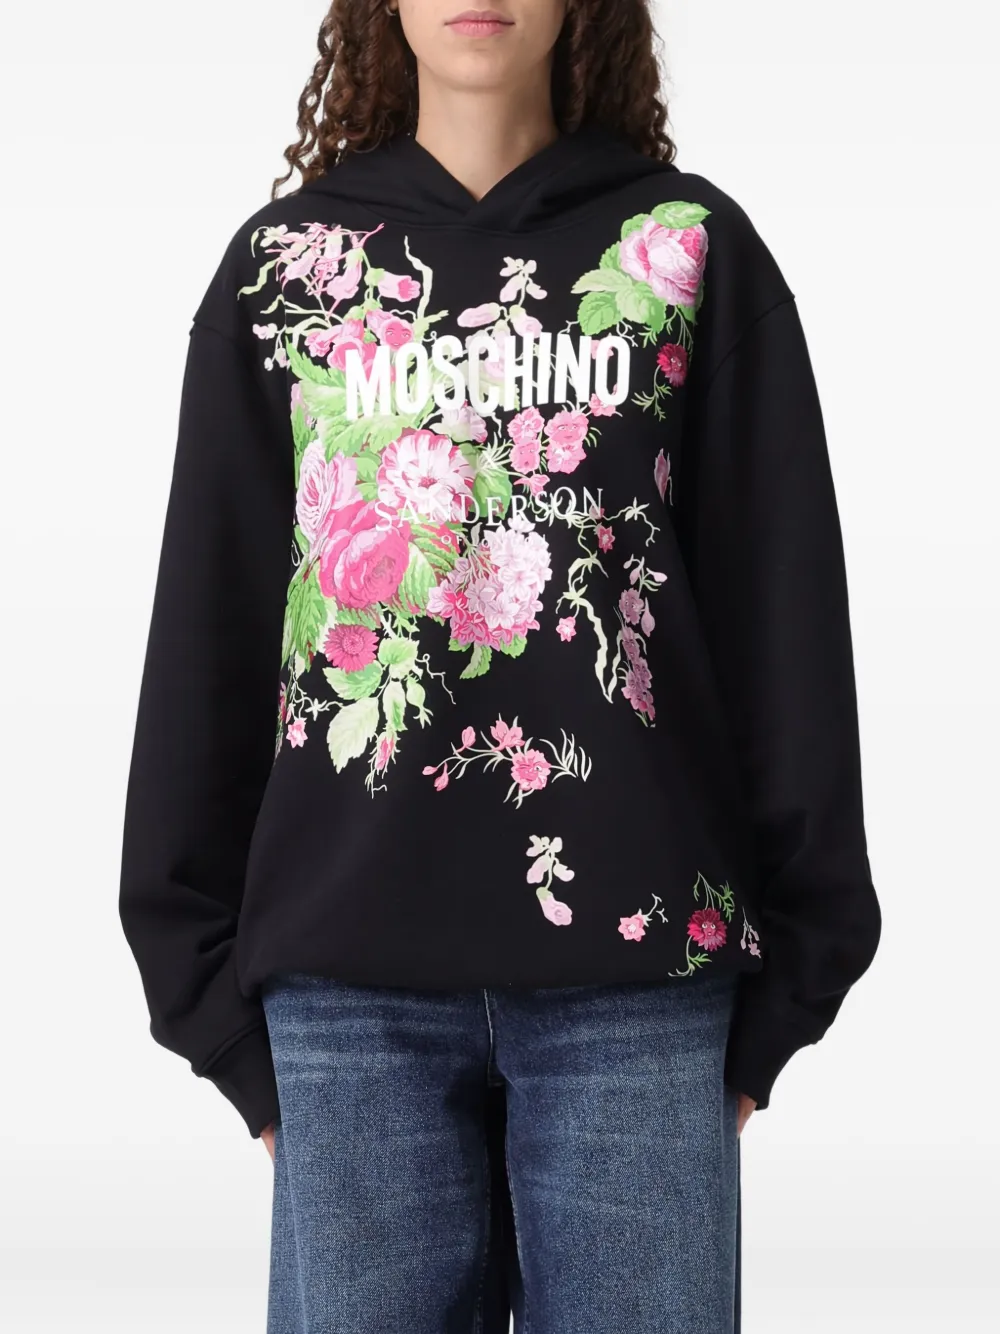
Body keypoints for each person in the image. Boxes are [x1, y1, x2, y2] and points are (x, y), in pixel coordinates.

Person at [119, 2, 881, 1330]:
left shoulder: (686, 251)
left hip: (639, 993)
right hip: (347, 993)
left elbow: (784, 620)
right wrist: (210, 998)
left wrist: (791, 984)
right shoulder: (286, 271)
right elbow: (212, 631)